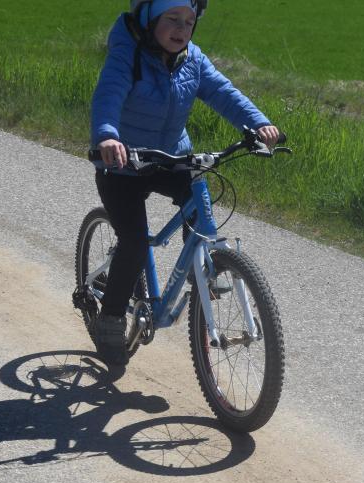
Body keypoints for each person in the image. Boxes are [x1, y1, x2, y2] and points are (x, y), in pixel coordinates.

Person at [89, 0, 280, 365]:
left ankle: (206, 267)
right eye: (172, 19)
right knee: (133, 240)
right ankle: (111, 315)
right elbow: (109, 95)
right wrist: (107, 136)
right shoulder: (126, 54)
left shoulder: (192, 59)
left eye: (189, 21)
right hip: (123, 161)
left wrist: (257, 122)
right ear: (148, 20)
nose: (182, 28)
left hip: (171, 157)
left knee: (199, 193)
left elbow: (224, 93)